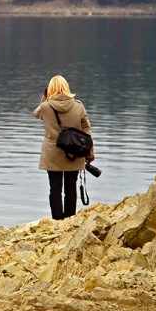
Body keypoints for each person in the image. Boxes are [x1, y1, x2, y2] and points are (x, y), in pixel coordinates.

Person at [34, 75, 95, 220]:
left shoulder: (45, 107)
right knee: (71, 187)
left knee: (55, 188)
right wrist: (90, 153)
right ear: (67, 87)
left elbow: (36, 114)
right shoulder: (78, 106)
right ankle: (69, 219)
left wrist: (44, 98)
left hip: (52, 153)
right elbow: (87, 131)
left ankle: (57, 220)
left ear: (50, 90)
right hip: (74, 152)